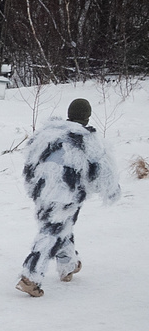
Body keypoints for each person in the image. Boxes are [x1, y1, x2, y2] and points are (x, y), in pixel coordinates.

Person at [16, 98, 121, 297]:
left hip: (42, 188)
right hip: (66, 192)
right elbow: (104, 169)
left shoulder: (47, 133)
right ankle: (30, 275)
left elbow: (30, 158)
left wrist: (33, 184)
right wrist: (112, 191)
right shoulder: (86, 139)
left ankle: (68, 265)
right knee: (52, 230)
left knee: (61, 225)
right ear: (87, 117)